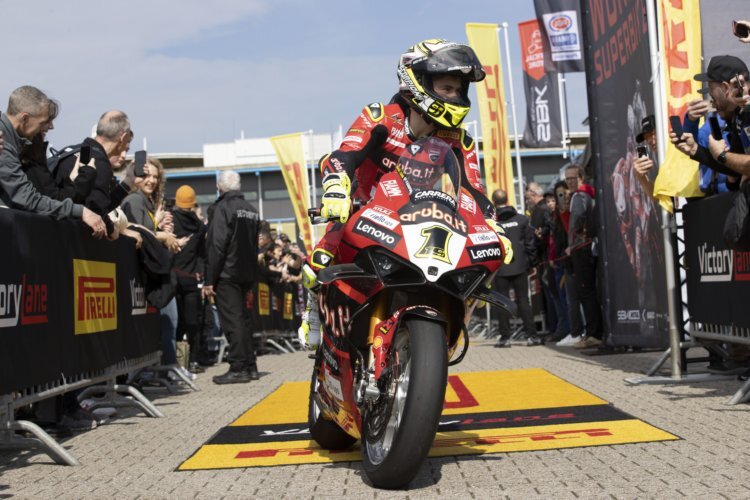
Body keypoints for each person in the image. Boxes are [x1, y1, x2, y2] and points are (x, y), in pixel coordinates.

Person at [298, 39, 512, 348]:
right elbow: (343, 155)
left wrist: (492, 224)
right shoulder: (380, 116)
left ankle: (446, 327)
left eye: (458, 90)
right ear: (418, 82)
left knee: (488, 257)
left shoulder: (459, 140)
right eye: (446, 88)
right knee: (316, 262)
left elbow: (474, 191)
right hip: (364, 210)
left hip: (421, 218)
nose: (455, 97)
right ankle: (315, 313)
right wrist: (335, 187)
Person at [0, 86, 105, 237]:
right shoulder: (5, 145)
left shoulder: (11, 142)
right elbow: (27, 199)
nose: (50, 126)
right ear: (24, 118)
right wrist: (80, 211)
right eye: (44, 121)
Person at [203, 171, 261, 384]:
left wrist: (210, 279)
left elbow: (217, 245)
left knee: (233, 321)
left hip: (227, 273)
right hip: (246, 273)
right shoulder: (251, 210)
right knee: (244, 320)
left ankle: (238, 367)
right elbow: (256, 246)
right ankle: (250, 366)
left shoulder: (223, 208)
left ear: (220, 186)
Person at [491, 189, 542, 347]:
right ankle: (532, 336)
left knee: (502, 303)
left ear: (493, 202)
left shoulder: (491, 223)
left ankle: (505, 338)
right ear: (507, 200)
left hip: (500, 268)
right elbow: (530, 245)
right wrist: (533, 264)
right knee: (523, 301)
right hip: (520, 266)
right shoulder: (522, 220)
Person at [564, 164, 603, 349]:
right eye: (567, 179)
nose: (570, 181)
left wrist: (571, 246)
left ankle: (593, 334)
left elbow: (576, 221)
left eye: (573, 178)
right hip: (589, 247)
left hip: (582, 248)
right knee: (589, 292)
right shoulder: (590, 193)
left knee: (586, 292)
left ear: (582, 178)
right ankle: (594, 332)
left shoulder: (579, 196)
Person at [171, 185, 209, 373]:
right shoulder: (197, 225)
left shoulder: (197, 226)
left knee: (185, 322)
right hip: (185, 279)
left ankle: (183, 360)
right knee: (188, 322)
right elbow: (203, 254)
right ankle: (187, 360)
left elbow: (202, 253)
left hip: (182, 278)